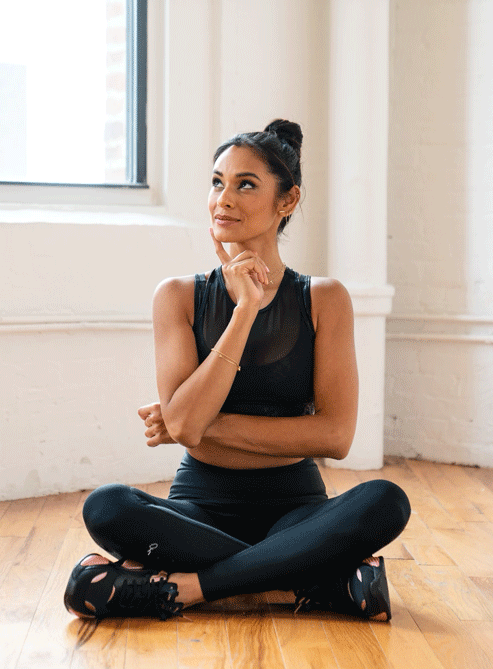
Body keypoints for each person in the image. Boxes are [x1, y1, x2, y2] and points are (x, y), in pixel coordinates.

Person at [64, 119, 411, 622]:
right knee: (107, 506)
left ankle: (186, 588)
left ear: (287, 201)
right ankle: (318, 576)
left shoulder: (323, 299)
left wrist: (200, 424)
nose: (223, 198)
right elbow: (187, 429)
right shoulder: (178, 296)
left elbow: (336, 436)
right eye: (217, 182)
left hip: (298, 510)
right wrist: (244, 310)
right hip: (197, 509)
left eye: (245, 185)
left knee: (385, 500)